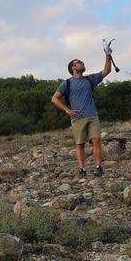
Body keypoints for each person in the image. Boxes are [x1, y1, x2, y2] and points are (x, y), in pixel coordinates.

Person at [51, 48, 114, 177]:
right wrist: (67, 110)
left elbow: (107, 70)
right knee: (80, 144)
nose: (82, 63)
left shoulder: (90, 79)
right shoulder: (67, 83)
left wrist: (108, 55)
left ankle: (98, 167)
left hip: (93, 116)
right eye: (79, 62)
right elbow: (54, 98)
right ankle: (82, 169)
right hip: (78, 118)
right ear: (73, 67)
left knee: (96, 141)